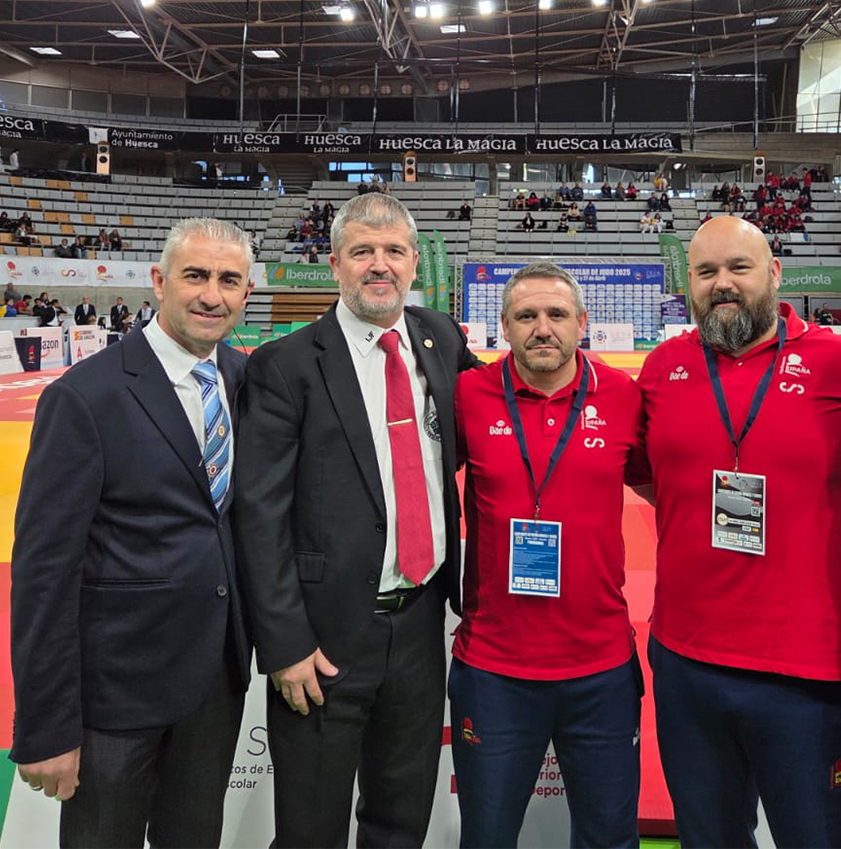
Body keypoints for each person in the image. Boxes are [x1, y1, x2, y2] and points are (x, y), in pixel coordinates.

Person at [635, 216, 841, 847]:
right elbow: (651, 477)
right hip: (687, 660)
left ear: (775, 274)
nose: (722, 283)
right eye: (706, 272)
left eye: (738, 267)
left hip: (809, 669)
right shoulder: (664, 367)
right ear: (689, 282)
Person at [232, 193, 480, 847]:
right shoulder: (286, 364)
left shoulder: (441, 338)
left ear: (414, 262)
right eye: (363, 251)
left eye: (394, 251)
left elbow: (505, 410)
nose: (380, 265)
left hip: (421, 622)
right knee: (310, 829)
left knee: (401, 819)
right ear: (335, 263)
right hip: (323, 635)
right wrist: (285, 643)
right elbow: (259, 513)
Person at [9, 218, 255, 845]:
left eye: (229, 280)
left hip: (215, 681)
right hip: (115, 693)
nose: (211, 295)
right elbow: (44, 572)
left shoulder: (247, 380)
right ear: (158, 282)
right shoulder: (85, 396)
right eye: (195, 275)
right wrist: (46, 724)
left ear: (247, 292)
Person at [451, 262, 645, 848]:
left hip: (601, 667)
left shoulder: (623, 396)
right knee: (486, 838)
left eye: (557, 314)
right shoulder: (468, 394)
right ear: (504, 326)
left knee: (609, 837)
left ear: (582, 323)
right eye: (526, 316)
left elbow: (670, 490)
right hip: (494, 668)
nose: (542, 328)